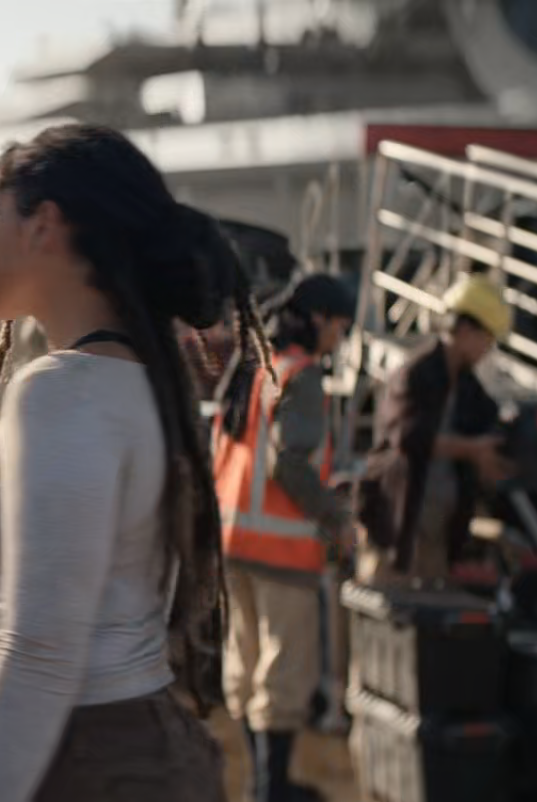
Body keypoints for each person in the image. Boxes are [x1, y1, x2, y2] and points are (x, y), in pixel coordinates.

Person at [0, 124, 270, 802]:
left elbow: (41, 654)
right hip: (114, 744)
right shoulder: (142, 379)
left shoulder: (65, 391)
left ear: (43, 226)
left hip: (71, 759)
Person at [212, 273, 357, 802]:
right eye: (340, 327)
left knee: (246, 671)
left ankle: (260, 785)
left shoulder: (254, 366)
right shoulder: (302, 375)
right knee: (282, 679)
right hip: (281, 551)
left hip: (234, 543)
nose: (340, 339)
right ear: (318, 319)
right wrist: (336, 517)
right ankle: (272, 791)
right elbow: (289, 462)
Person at [358, 272, 516, 583]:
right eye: (487, 339)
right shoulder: (415, 375)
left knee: (429, 608)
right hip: (396, 525)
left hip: (437, 531)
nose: (488, 349)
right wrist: (471, 450)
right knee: (386, 604)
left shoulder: (470, 390)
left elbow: (489, 431)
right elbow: (408, 437)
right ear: (466, 329)